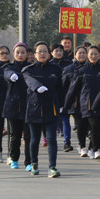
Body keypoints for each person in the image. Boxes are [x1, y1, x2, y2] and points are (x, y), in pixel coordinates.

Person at [24, 42, 65, 177]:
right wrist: (38, 87)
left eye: (45, 51)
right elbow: (29, 81)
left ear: (49, 54)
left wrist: (61, 104)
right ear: (34, 54)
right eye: (39, 51)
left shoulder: (56, 69)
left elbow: (60, 88)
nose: (42, 54)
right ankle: (34, 163)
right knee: (34, 139)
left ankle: (52, 167)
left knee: (52, 139)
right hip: (34, 107)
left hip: (51, 108)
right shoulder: (28, 70)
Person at [64, 46, 100, 159]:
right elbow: (73, 89)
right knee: (85, 126)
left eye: (95, 54)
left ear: (99, 55)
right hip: (86, 103)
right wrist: (66, 105)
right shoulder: (81, 70)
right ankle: (90, 148)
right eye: (91, 54)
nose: (93, 56)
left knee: (97, 127)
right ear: (88, 56)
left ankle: (91, 148)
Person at [3, 43, 31, 169]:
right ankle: (14, 158)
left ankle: (29, 161)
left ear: (27, 54)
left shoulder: (30, 67)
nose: (20, 55)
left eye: (23, 52)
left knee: (29, 136)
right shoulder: (9, 67)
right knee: (15, 135)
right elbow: (6, 73)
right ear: (13, 54)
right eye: (17, 52)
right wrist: (11, 76)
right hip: (13, 106)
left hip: (29, 106)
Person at [63, 46, 89, 156]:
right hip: (75, 102)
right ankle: (82, 145)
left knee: (87, 125)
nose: (82, 55)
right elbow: (64, 86)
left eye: (84, 53)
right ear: (75, 55)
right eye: (80, 53)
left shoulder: (90, 68)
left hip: (88, 102)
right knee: (80, 124)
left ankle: (84, 144)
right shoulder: (68, 69)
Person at [51, 43, 73, 152]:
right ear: (52, 53)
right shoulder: (49, 65)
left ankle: (67, 142)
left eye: (60, 51)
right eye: (56, 51)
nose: (59, 53)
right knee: (52, 121)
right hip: (52, 96)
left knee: (65, 120)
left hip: (65, 96)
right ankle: (51, 141)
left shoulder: (69, 65)